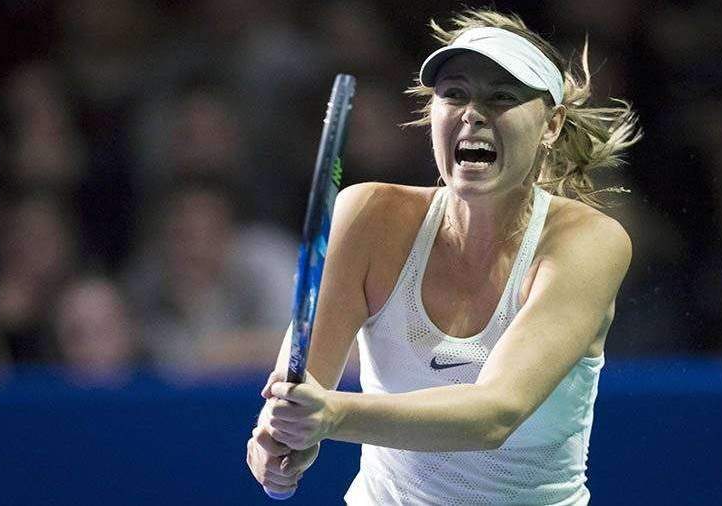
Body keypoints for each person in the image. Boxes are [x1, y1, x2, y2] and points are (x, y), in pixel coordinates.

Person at [247, 8, 640, 505]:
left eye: (502, 96)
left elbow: (495, 413)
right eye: (454, 94)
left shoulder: (589, 242)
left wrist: (332, 416)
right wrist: (277, 442)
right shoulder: (369, 216)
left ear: (552, 124)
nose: (473, 112)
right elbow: (301, 392)